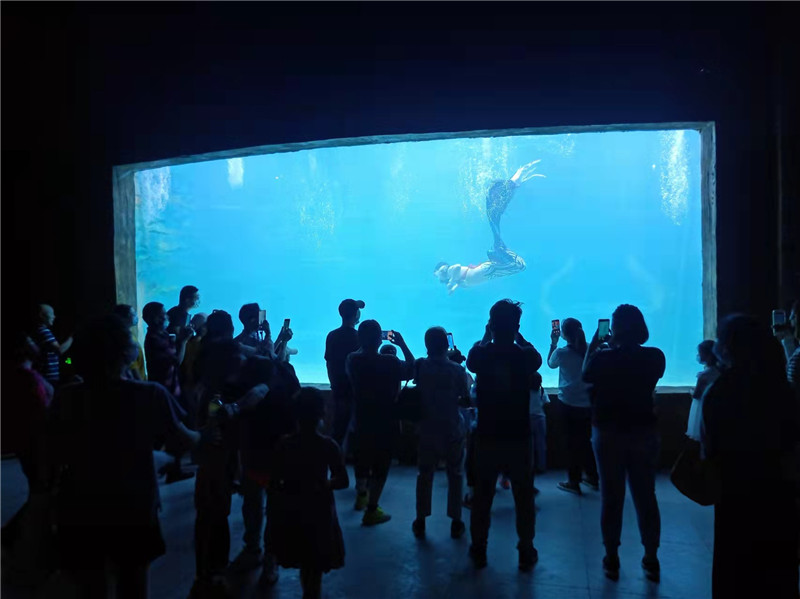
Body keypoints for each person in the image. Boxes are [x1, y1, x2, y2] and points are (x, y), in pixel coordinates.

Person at [48, 315, 201, 599]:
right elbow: (183, 440)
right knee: (133, 582)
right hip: (132, 504)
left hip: (78, 504)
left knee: (89, 586)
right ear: (124, 352)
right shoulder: (149, 394)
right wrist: (210, 429)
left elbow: (54, 451)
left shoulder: (66, 398)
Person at [701, 314, 799, 599]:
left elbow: (709, 448)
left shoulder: (720, 390)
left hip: (735, 492)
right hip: (778, 492)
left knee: (736, 568)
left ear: (727, 348)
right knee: (777, 570)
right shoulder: (781, 389)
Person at [583, 304, 665, 582]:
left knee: (611, 497)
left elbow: (586, 373)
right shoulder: (655, 357)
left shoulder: (603, 359)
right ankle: (651, 557)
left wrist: (596, 340)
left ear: (613, 329)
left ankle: (611, 557)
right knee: (646, 496)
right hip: (644, 432)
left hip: (608, 433)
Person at [190, 339, 270, 598]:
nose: (243, 358)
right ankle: (209, 575)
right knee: (212, 518)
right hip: (214, 466)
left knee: (214, 517)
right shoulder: (216, 393)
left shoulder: (215, 385)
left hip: (217, 465)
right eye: (238, 355)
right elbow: (216, 426)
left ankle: (210, 573)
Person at [466, 299, 543, 570]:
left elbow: (471, 358)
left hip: (487, 435)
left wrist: (487, 335)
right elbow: (536, 358)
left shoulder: (481, 355)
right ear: (516, 327)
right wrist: (519, 336)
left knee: (483, 496)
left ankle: (479, 548)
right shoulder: (524, 356)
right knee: (523, 497)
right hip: (519, 436)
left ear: (491, 325)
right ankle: (525, 548)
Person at [267, 388, 348, 599]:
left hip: (292, 507)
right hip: (320, 508)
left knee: (302, 555)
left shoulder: (284, 445)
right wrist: (324, 484)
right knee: (315, 559)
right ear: (322, 413)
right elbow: (343, 480)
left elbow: (274, 482)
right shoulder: (329, 446)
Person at [230, 352, 301, 587]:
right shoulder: (284, 375)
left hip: (264, 453)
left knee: (257, 504)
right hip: (273, 452)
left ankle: (259, 552)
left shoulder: (248, 387)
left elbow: (241, 423)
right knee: (269, 506)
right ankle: (265, 556)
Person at [434, 160, 544, 294]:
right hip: (489, 271)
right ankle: (514, 183)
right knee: (514, 263)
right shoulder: (455, 279)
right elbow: (460, 283)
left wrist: (451, 281)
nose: (438, 276)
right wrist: (453, 286)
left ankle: (513, 182)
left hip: (486, 271)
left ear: (442, 269)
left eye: (437, 273)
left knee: (497, 230)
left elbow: (457, 267)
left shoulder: (451, 271)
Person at [346, 320, 415, 525]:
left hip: (361, 417)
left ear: (359, 338)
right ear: (380, 339)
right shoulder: (390, 362)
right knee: (381, 464)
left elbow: (360, 353)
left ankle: (361, 495)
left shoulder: (353, 359)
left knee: (361, 457)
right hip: (387, 419)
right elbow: (410, 368)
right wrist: (402, 344)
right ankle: (372, 508)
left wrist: (366, 342)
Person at [412, 327, 470, 540]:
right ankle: (456, 521)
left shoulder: (420, 366)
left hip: (427, 429)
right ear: (446, 345)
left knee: (424, 474)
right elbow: (465, 398)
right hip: (452, 428)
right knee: (455, 475)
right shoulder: (457, 370)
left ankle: (420, 520)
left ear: (427, 345)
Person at [1, 330, 54, 561]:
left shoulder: (16, 373)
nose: (35, 342)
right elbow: (40, 416)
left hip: (26, 442)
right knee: (43, 491)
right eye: (30, 339)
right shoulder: (27, 378)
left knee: (39, 491)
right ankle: (21, 540)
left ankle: (23, 538)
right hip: (37, 444)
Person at [143, 301, 195, 483]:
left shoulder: (162, 334)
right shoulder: (155, 338)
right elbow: (176, 360)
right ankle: (158, 469)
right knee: (164, 434)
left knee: (167, 434)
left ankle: (170, 469)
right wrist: (184, 341)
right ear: (156, 318)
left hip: (172, 389)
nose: (167, 317)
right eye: (164, 314)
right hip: (166, 390)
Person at [547, 318, 598, 494]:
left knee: (571, 444)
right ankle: (593, 477)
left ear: (562, 334)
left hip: (567, 404)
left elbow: (550, 364)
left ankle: (573, 481)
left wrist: (553, 343)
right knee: (586, 441)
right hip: (588, 405)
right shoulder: (592, 349)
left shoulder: (561, 353)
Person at [324, 299, 364, 449]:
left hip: (338, 387)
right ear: (356, 314)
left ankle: (335, 463)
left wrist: (334, 384)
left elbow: (329, 363)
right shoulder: (359, 337)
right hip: (356, 390)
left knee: (339, 427)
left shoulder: (332, 336)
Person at [685, 340, 720, 441]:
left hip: (702, 408)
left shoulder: (704, 376)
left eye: (700, 353)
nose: (698, 355)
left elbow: (696, 395)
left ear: (707, 355)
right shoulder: (720, 372)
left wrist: (691, 391)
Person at [31, 303, 73, 386]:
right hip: (48, 377)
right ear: (42, 315)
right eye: (52, 314)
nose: (54, 316)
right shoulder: (44, 332)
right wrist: (71, 339)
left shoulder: (38, 331)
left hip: (44, 376)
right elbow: (59, 350)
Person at [113, 304, 147, 380]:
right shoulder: (125, 339)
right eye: (133, 314)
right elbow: (133, 366)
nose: (136, 316)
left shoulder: (130, 334)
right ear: (123, 317)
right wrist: (142, 385)